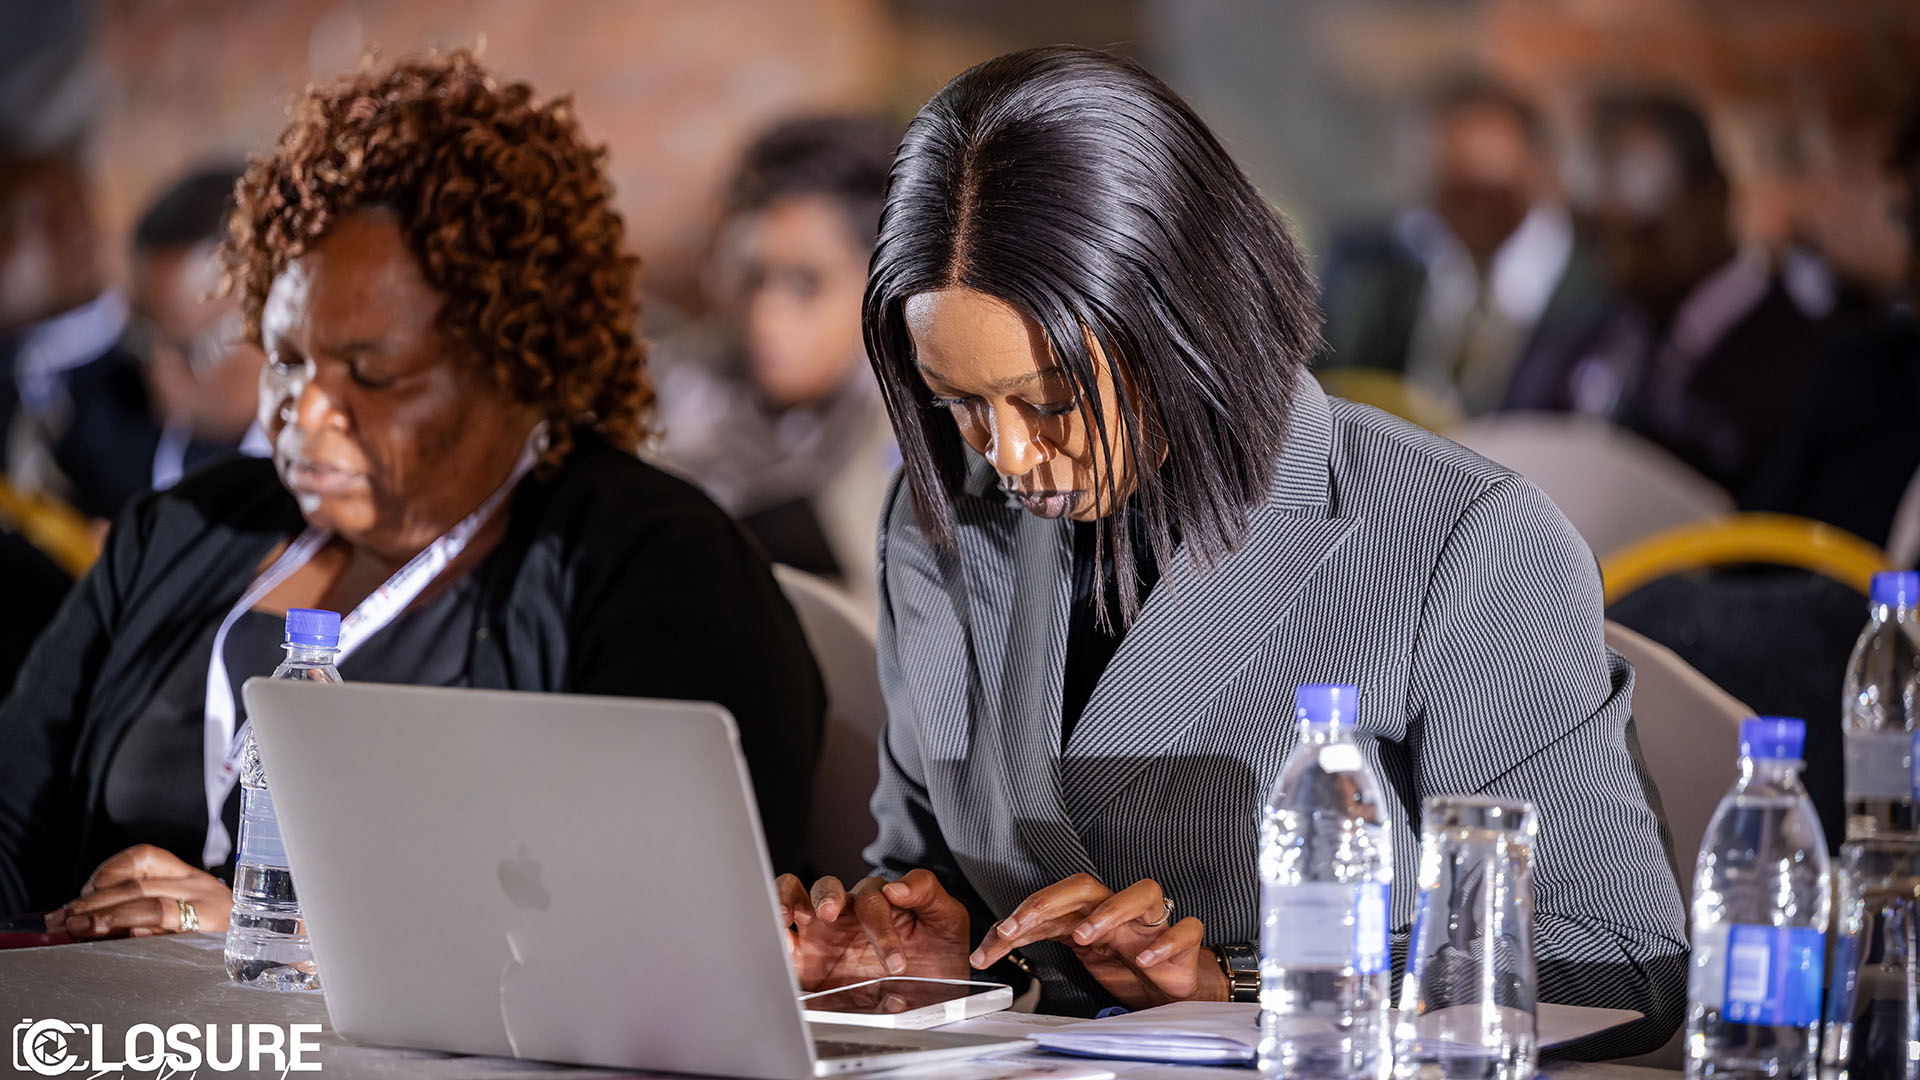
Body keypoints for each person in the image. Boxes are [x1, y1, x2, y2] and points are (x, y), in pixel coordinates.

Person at [777, 47, 1685, 1055]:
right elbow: (930, 857)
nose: (1013, 456)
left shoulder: (1462, 539)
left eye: (1053, 402)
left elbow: (1622, 958)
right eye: (961, 407)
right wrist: (931, 948)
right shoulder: (938, 511)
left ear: (1183, 318)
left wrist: (1247, 990)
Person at [0, 51, 824, 933]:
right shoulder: (181, 532)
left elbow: (669, 914)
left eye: (371, 373)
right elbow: (12, 824)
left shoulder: (654, 569)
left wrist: (281, 928)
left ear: (513, 360)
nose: (306, 414)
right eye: (287, 360)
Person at [652, 116, 899, 607]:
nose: (766, 315)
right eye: (752, 277)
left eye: (807, 284)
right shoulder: (673, 385)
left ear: (880, 284)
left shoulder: (920, 426)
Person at [1559, 93, 1836, 498]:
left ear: (1715, 197)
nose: (1625, 262)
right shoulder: (1602, 333)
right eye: (1604, 237)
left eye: (1647, 234)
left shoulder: (1808, 360)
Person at [1319, 76, 1612, 415]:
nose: (1470, 214)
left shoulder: (1599, 284)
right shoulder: (1377, 266)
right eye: (1451, 191)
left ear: (1540, 172)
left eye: (1490, 186)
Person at [125, 164, 272, 491]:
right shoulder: (120, 446)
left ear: (267, 314)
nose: (159, 375)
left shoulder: (333, 475)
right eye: (143, 340)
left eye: (188, 350)